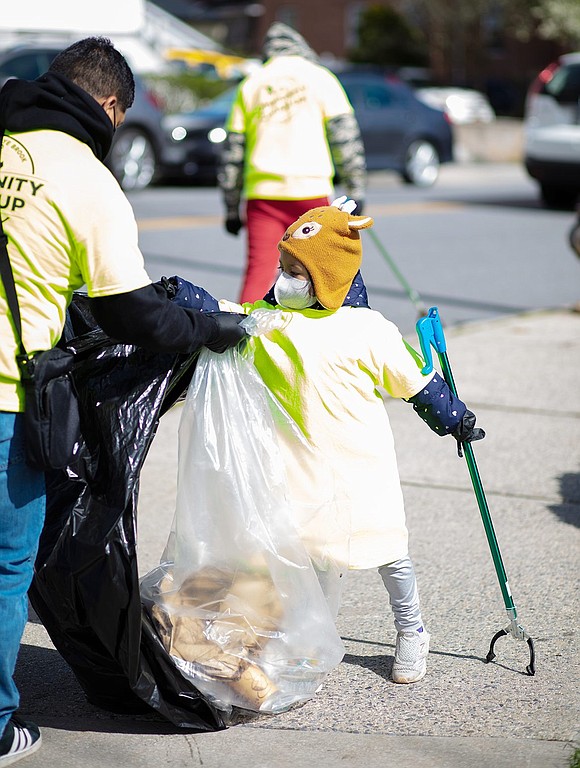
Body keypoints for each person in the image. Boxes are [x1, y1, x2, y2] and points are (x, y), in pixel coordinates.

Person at [0, 36, 246, 765]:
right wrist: (210, 329)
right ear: (110, 106)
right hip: (5, 400)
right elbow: (134, 314)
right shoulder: (84, 178)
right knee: (6, 565)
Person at [167, 197, 485, 688]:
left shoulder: (368, 331)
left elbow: (415, 380)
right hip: (300, 471)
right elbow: (225, 313)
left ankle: (411, 627)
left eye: (297, 271)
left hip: (363, 469)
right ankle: (318, 633)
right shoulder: (270, 323)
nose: (283, 279)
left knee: (388, 552)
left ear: (329, 276)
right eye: (282, 267)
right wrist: (181, 294)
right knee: (313, 555)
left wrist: (455, 418)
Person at [218, 21, 366, 304]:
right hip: (312, 193)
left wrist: (230, 207)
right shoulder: (321, 78)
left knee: (260, 272)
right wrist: (356, 190)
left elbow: (232, 152)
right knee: (322, 272)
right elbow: (346, 140)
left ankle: (248, 336)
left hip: (263, 195)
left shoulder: (252, 84)